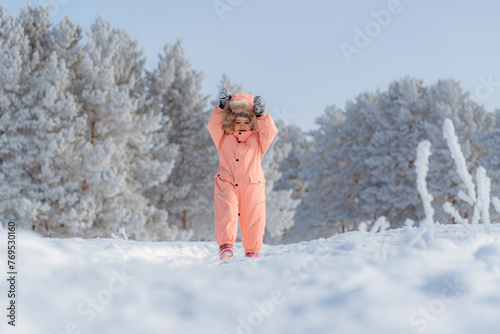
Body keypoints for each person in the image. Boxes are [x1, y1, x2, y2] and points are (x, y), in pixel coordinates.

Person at [207, 88, 278, 260]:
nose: (242, 126)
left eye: (247, 122)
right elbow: (213, 125)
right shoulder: (223, 138)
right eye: (237, 122)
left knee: (253, 216)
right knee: (227, 211)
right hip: (227, 181)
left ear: (253, 123)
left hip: (252, 184)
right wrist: (221, 108)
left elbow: (270, 132)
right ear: (231, 122)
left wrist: (262, 116)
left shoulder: (258, 140)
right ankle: (226, 246)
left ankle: (252, 251)